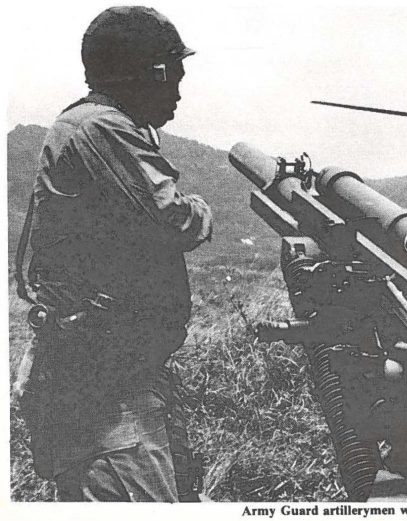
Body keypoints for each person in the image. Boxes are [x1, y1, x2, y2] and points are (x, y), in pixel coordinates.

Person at [13, 6, 212, 502]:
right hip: (102, 384)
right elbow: (175, 220)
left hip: (109, 371)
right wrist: (202, 207)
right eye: (174, 76)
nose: (179, 92)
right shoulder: (98, 127)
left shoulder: (96, 126)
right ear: (153, 73)